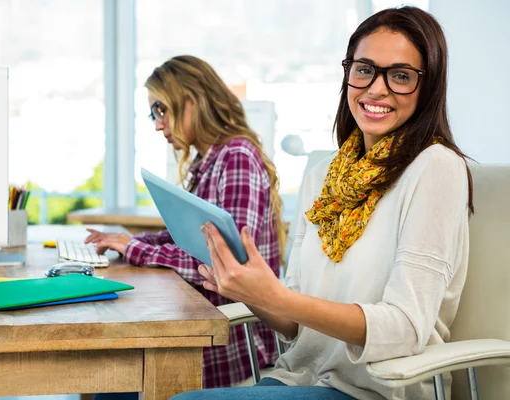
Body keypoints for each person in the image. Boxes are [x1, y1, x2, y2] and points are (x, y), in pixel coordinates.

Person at [176, 6, 474, 400]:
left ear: (428, 86)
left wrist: (281, 298)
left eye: (400, 76)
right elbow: (297, 326)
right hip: (300, 379)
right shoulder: (322, 175)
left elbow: (405, 327)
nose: (377, 88)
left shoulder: (435, 168)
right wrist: (254, 293)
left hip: (375, 392)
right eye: (364, 69)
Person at [85, 55, 285, 395]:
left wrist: (135, 248)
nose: (158, 124)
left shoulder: (236, 157)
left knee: (110, 379)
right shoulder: (207, 160)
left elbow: (227, 263)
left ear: (191, 101)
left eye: (161, 109)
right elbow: (189, 238)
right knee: (108, 375)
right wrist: (128, 241)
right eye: (154, 113)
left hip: (227, 341)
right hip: (200, 323)